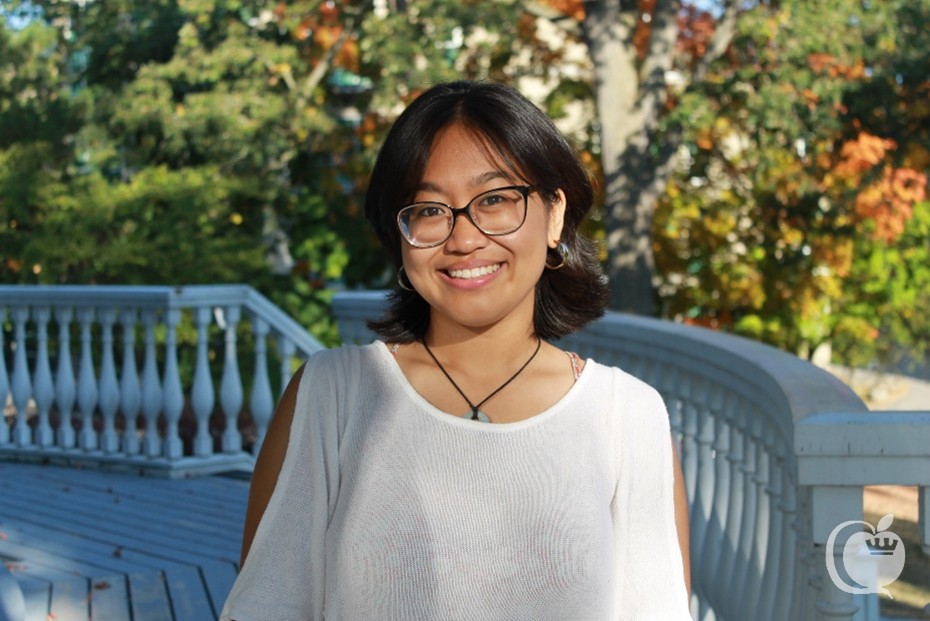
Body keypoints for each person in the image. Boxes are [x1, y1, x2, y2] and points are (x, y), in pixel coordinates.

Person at [220, 80, 692, 620]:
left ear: (554, 213)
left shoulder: (626, 418)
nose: (463, 239)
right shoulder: (334, 397)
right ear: (399, 232)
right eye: (428, 209)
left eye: (494, 200)